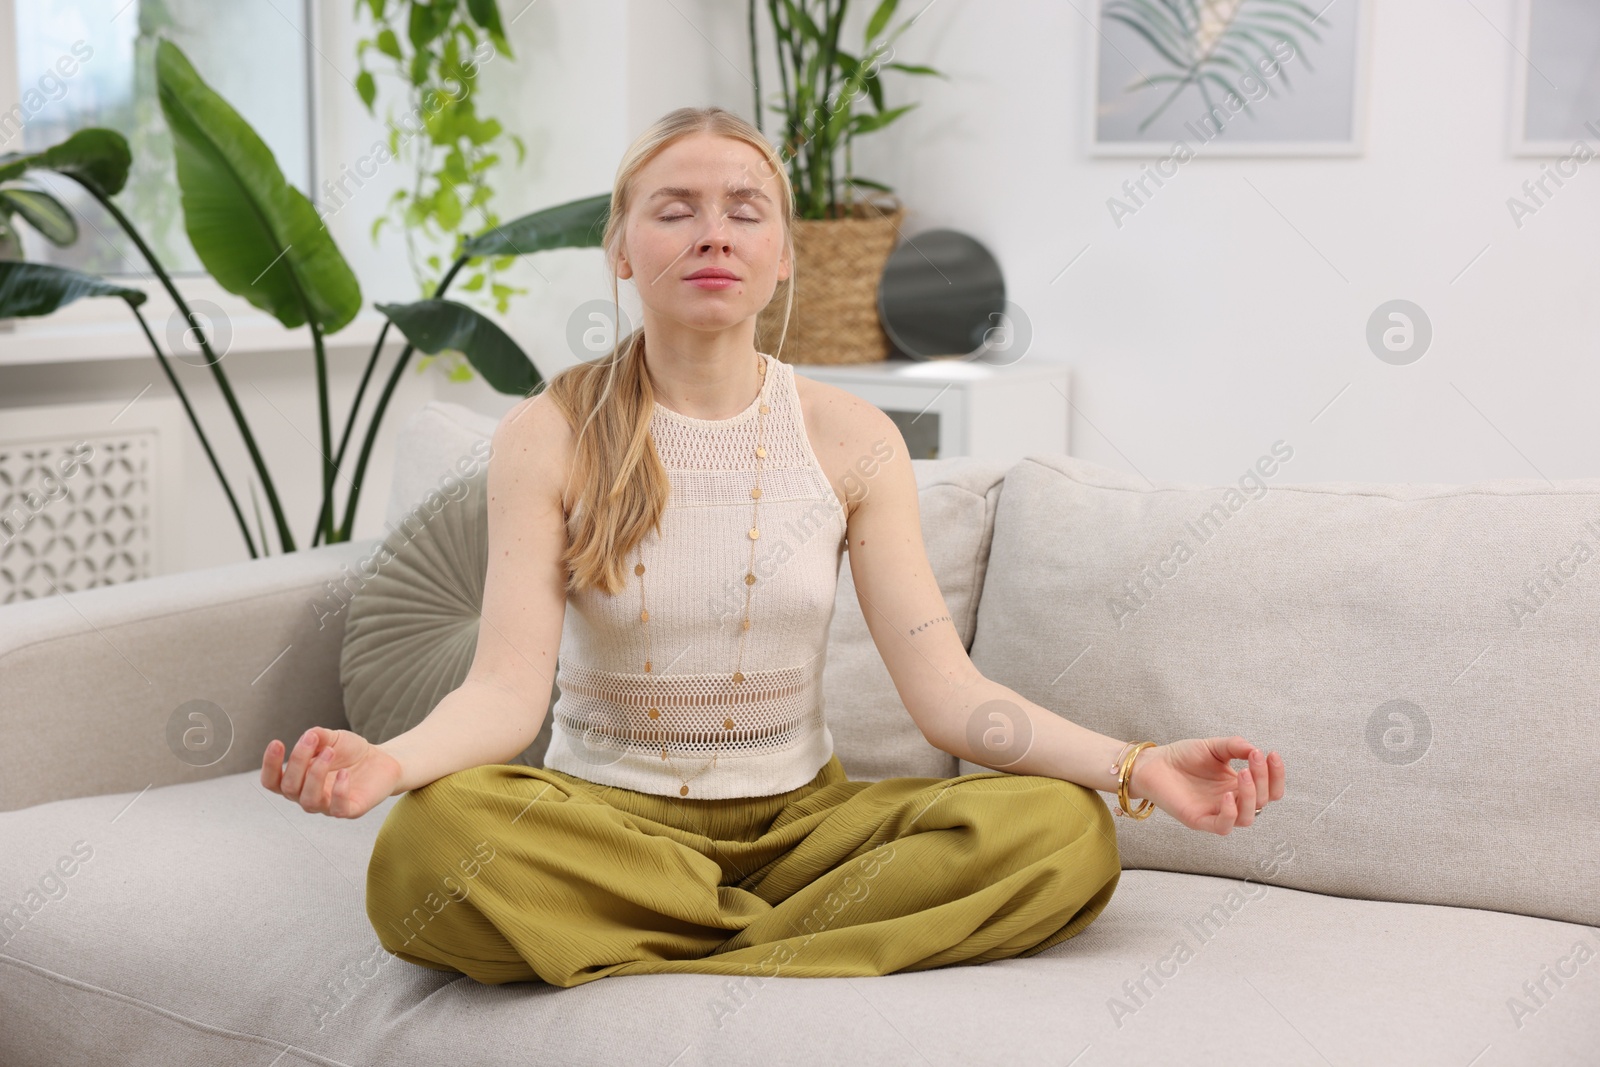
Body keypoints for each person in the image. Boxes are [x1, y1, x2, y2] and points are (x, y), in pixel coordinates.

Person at [261, 105, 1286, 989]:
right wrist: (387, 763)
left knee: (1062, 834)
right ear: (621, 248)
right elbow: (503, 696)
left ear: (783, 254)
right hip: (606, 824)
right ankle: (784, 952)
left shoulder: (851, 438)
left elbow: (947, 694)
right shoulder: (550, 431)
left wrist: (1138, 766)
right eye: (675, 209)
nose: (713, 232)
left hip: (804, 831)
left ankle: (666, 946)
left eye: (744, 210)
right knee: (424, 854)